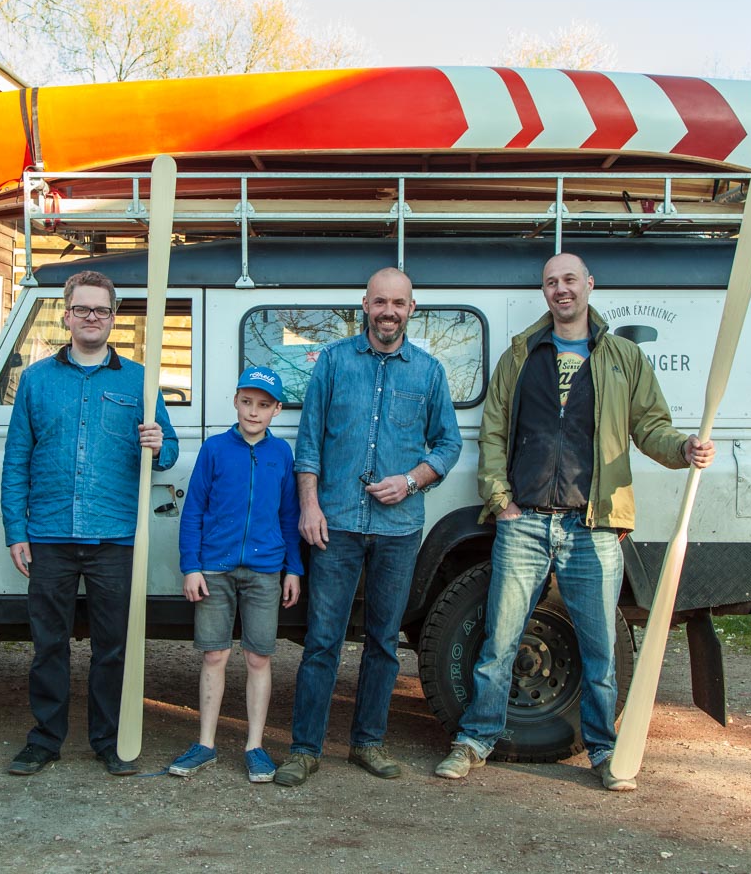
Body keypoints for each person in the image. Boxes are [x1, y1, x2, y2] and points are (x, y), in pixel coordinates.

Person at [434, 252, 715, 792]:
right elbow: (493, 431)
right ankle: (474, 741)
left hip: (594, 526)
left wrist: (682, 448)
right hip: (525, 522)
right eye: (550, 282)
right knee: (499, 643)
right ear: (544, 293)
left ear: (589, 284)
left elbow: (651, 427)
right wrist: (502, 500)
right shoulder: (521, 354)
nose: (560, 290)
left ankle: (606, 753)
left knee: (600, 651)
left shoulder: (622, 357)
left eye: (569, 280)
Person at [274, 267, 462, 787]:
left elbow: (449, 444)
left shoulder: (428, 371)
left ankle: (367, 743)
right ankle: (305, 748)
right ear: (365, 305)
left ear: (411, 309)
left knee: (382, 641)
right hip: (335, 525)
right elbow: (308, 442)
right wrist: (309, 507)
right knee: (322, 640)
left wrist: (411, 480)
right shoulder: (334, 361)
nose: (388, 312)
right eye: (380, 302)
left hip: (399, 528)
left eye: (398, 303)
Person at [1, 270, 178, 777]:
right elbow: (17, 461)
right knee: (48, 645)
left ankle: (107, 740)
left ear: (113, 316)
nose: (92, 318)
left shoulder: (139, 380)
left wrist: (158, 444)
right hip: (50, 535)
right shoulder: (35, 381)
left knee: (113, 648)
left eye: (101, 310)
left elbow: (169, 452)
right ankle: (45, 740)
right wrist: (17, 529)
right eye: (82, 309)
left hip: (115, 536)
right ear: (67, 314)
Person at [168, 366, 303, 783]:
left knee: (259, 656)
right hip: (215, 568)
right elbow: (193, 512)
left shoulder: (282, 455)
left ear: (277, 409)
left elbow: (289, 515)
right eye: (247, 402)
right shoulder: (214, 449)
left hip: (266, 570)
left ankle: (255, 746)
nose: (254, 412)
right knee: (214, 654)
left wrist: (293, 569)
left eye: (264, 405)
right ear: (236, 402)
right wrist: (191, 566)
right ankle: (205, 743)